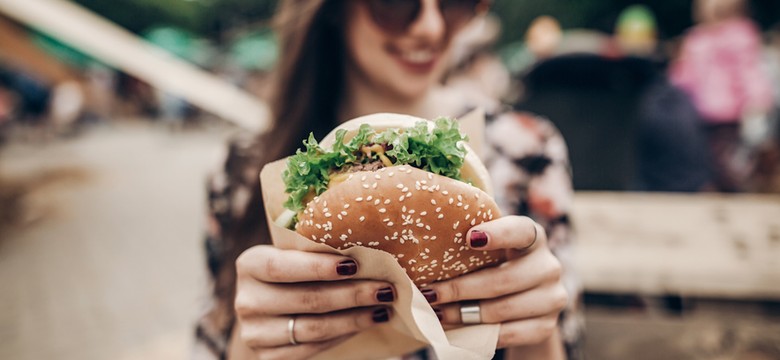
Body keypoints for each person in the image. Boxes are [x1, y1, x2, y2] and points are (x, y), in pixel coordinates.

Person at [194, 1, 582, 359]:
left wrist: (535, 327)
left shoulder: (527, 151)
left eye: (455, 3)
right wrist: (252, 341)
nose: (431, 27)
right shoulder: (243, 171)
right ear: (332, 9)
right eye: (395, 3)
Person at [669, 0, 774, 192]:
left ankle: (737, 189)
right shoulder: (697, 38)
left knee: (726, 156)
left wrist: (758, 99)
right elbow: (686, 74)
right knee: (707, 155)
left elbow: (749, 71)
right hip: (698, 111)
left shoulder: (740, 36)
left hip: (727, 111)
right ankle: (720, 187)